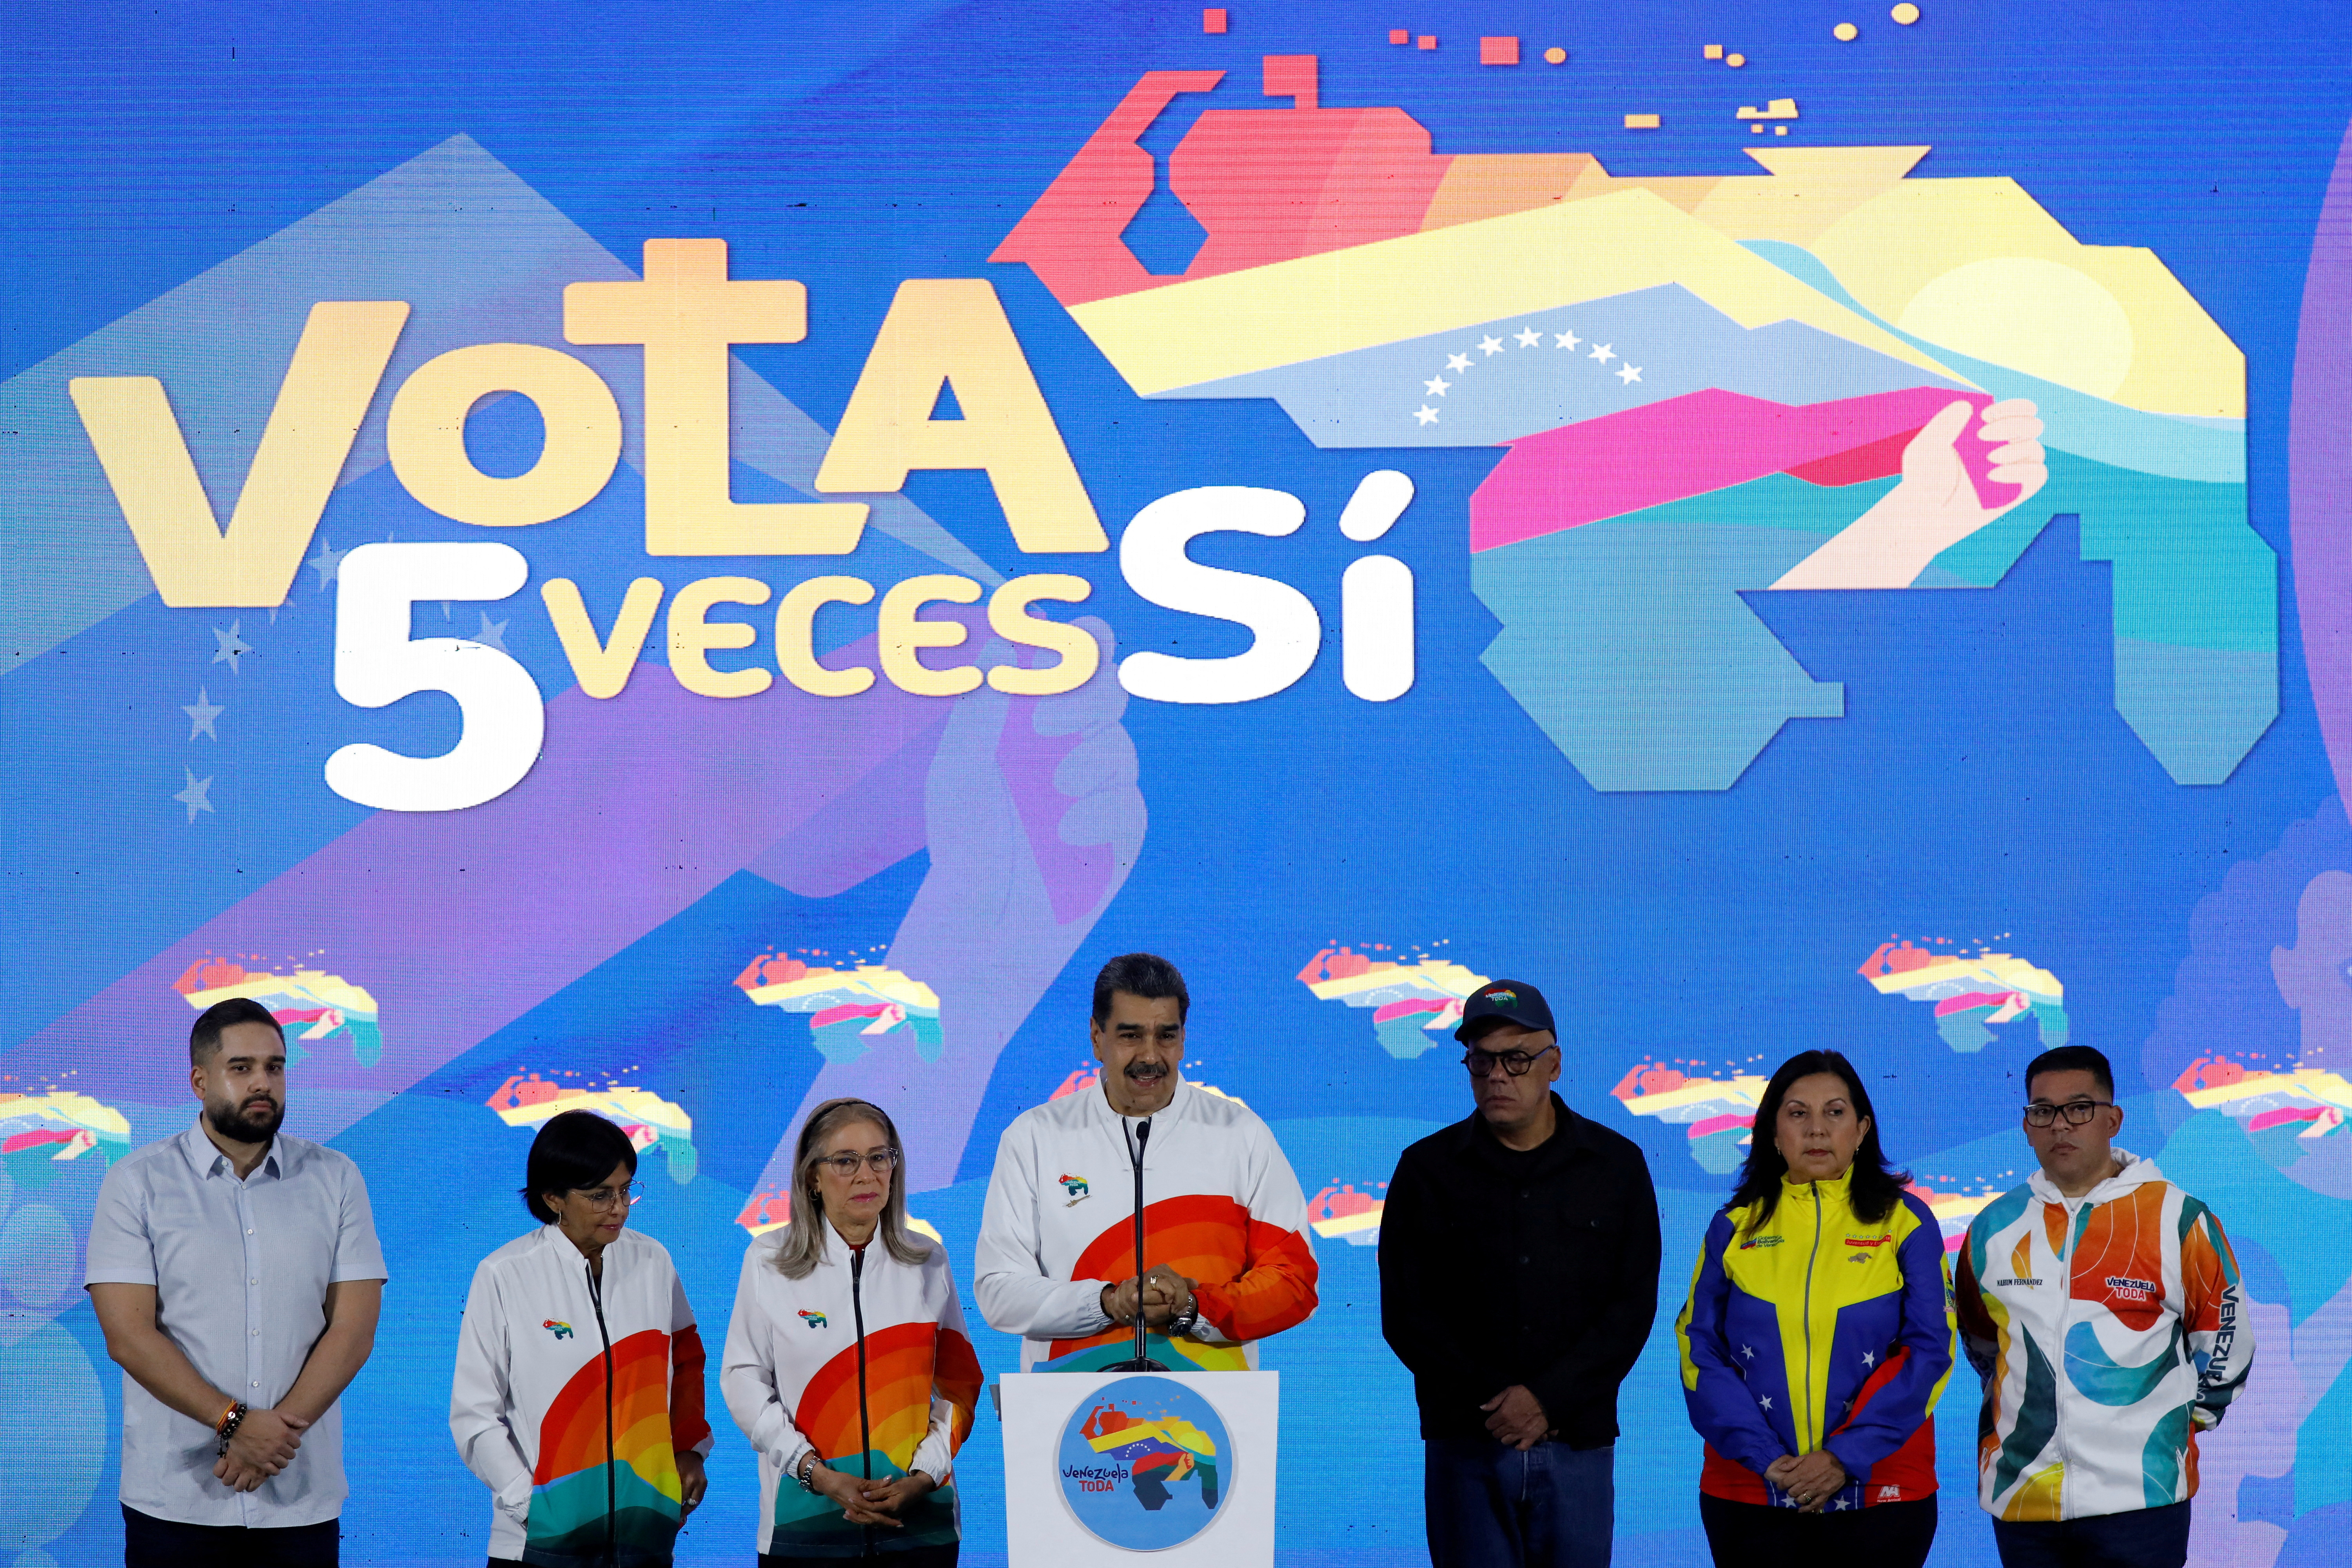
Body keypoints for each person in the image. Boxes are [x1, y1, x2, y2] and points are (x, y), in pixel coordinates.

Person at [84, 996, 387, 1568]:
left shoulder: (336, 1178)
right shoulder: (137, 1182)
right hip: (175, 1500)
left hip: (298, 1496)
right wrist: (236, 1423)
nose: (263, 1083)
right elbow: (129, 1336)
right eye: (242, 1068)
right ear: (200, 1081)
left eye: (275, 1067)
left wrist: (270, 1441)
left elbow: (353, 1329)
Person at [1379, 978, 1662, 1568]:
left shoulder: (1617, 1166)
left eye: (1516, 1059)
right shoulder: (1426, 1171)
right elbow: (1407, 1312)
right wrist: (1498, 1402)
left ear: (1554, 1065)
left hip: (1578, 1444)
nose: (1497, 1077)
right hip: (1467, 1445)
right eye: (1481, 1061)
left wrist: (1547, 1399)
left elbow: (1632, 1306)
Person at [1955, 1044, 2254, 1568]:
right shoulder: (1992, 1228)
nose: (2060, 1125)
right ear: (2027, 1126)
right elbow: (1983, 1343)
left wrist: (2178, 1428)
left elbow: (2226, 1341)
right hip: (2024, 1501)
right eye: (2043, 1111)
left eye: (2079, 1108)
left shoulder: (2177, 1218)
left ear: (2113, 1119)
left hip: (2142, 1500)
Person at [1676, 1048, 1953, 1568]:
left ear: (1862, 1129)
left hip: (1882, 1494)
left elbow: (1930, 1350)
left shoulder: (1907, 1222)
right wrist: (1767, 1459)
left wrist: (1843, 1458)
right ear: (1772, 1132)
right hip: (1752, 1491)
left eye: (1835, 1112)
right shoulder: (1733, 1226)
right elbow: (1699, 1350)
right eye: (1798, 1113)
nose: (1817, 1130)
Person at [975, 952, 1319, 1371]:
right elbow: (999, 1291)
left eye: (1166, 1036)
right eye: (1131, 1036)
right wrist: (1106, 1302)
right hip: (1072, 1404)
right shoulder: (1035, 1137)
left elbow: (1294, 1281)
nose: (1151, 1056)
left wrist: (1196, 1306)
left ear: (1183, 1039)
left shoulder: (1241, 1135)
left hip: (1211, 1404)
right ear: (1097, 1037)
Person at [721, 1098, 983, 1566]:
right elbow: (743, 1381)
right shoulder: (768, 1260)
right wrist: (816, 1474)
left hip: (921, 1527)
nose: (867, 1175)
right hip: (806, 1526)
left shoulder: (928, 1259)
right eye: (846, 1161)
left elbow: (959, 1386)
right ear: (813, 1177)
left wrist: (924, 1476)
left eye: (879, 1157)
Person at [450, 1109, 711, 1566]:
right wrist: (531, 1509)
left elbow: (686, 1360)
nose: (620, 1208)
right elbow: (474, 1414)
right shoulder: (503, 1274)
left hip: (644, 1540)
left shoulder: (653, 1260)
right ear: (553, 1197)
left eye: (626, 1190)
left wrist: (689, 1450)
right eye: (600, 1195)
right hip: (537, 1546)